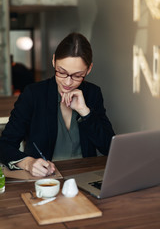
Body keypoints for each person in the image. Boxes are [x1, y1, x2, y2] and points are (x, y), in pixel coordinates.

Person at [0, 32, 115, 177]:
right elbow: (4, 145)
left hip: (86, 176)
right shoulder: (34, 94)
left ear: (89, 69)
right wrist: (28, 163)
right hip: (45, 179)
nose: (68, 82)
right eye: (61, 72)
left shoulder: (93, 93)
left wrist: (85, 112)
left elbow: (110, 148)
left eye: (78, 75)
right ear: (54, 61)